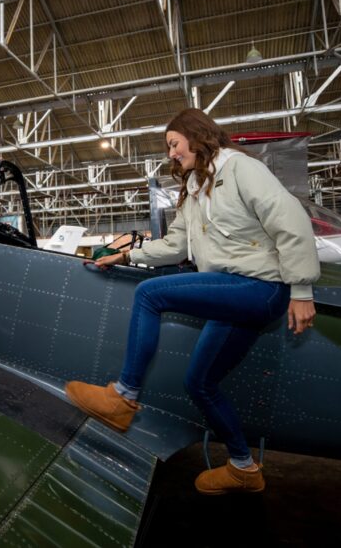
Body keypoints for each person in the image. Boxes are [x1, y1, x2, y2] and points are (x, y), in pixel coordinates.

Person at [65, 108, 320, 495]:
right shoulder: (196, 187)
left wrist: (301, 290)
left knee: (150, 294)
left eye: (174, 144)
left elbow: (290, 219)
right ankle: (243, 468)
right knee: (200, 383)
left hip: (260, 287)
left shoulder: (240, 169)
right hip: (232, 295)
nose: (171, 153)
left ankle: (123, 396)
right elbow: (175, 245)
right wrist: (125, 255)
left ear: (196, 136)